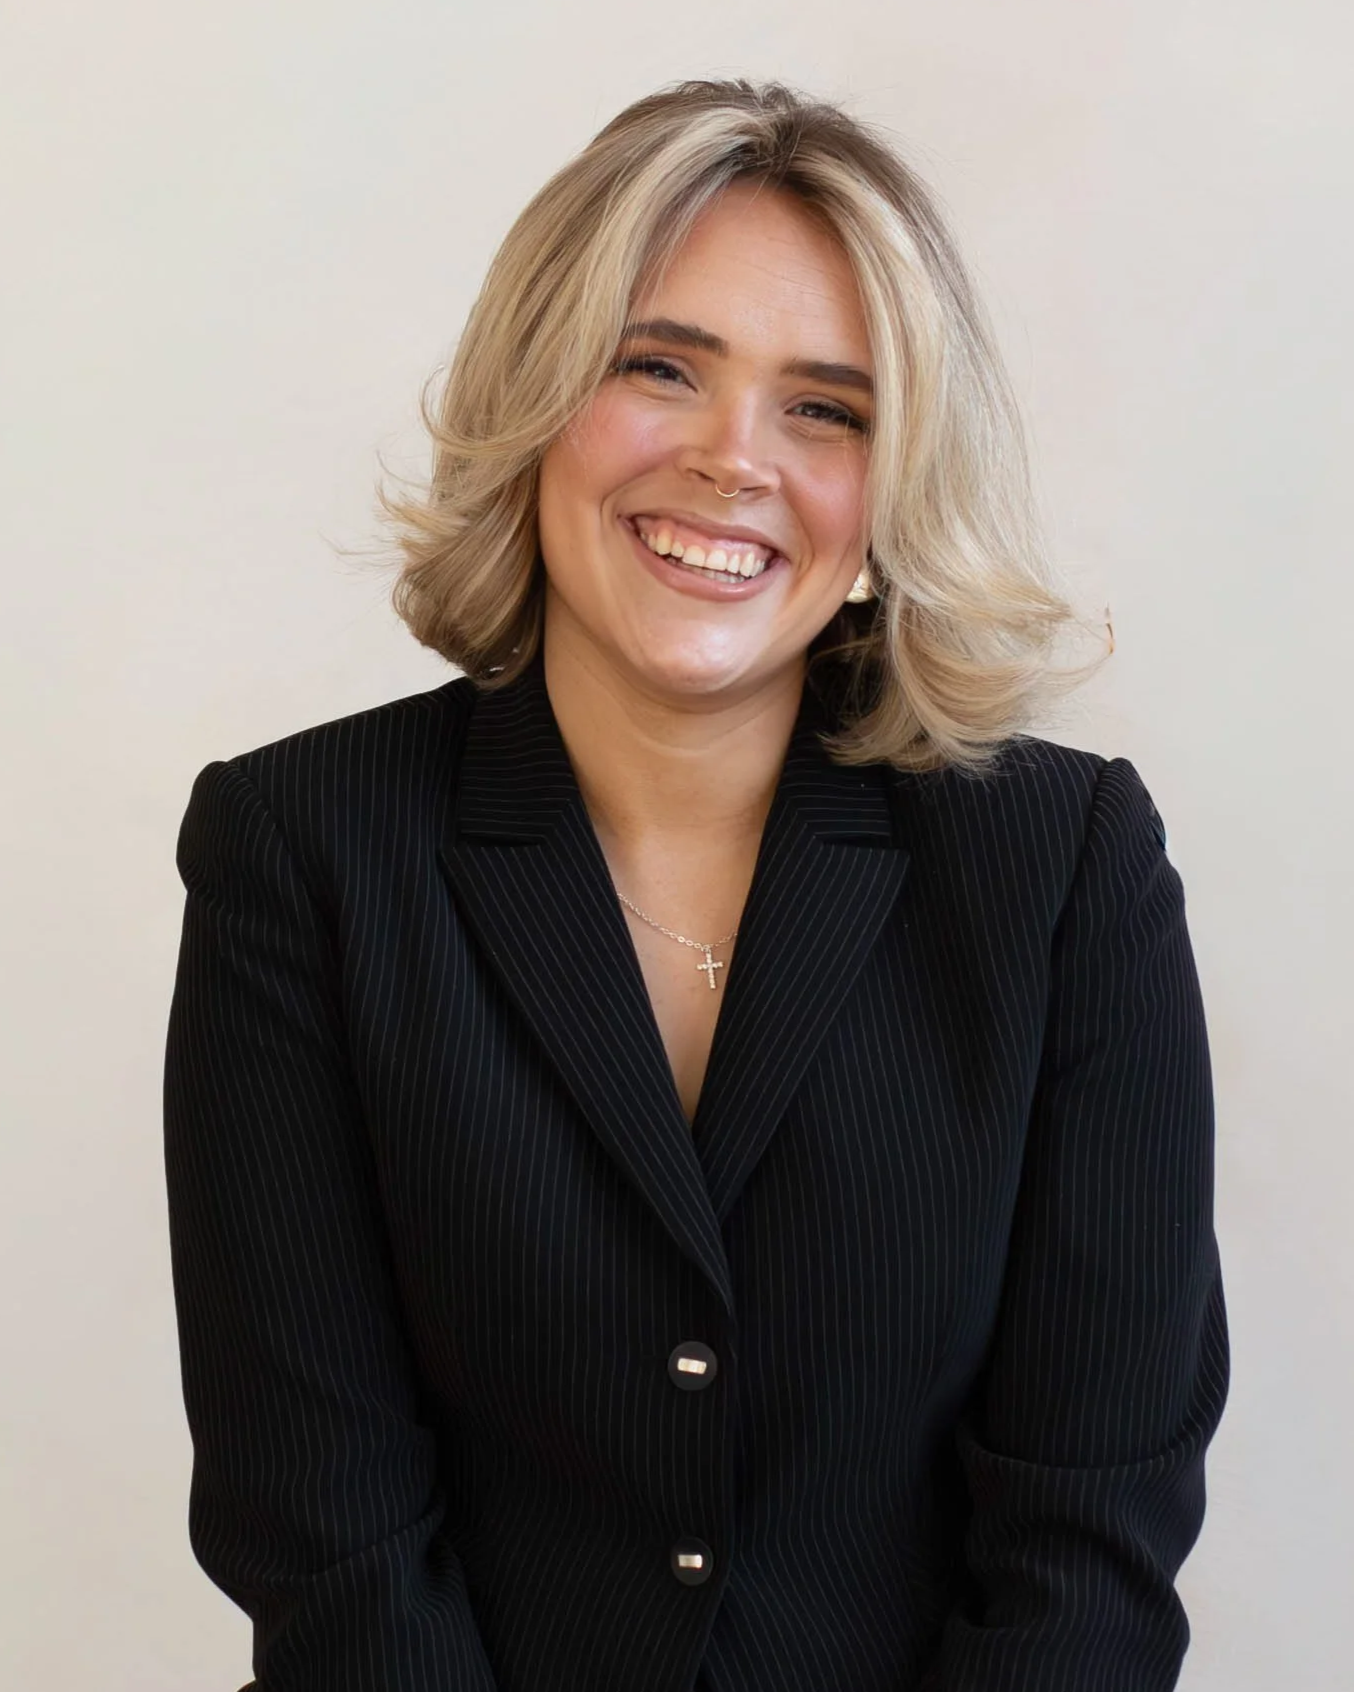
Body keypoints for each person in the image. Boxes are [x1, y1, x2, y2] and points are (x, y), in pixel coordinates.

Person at [163, 78, 1229, 1692]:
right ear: (537, 397)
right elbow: (324, 1532)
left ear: (889, 486)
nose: (735, 460)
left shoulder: (1062, 867)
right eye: (658, 367)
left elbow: (1088, 1538)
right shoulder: (300, 852)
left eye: (826, 409)